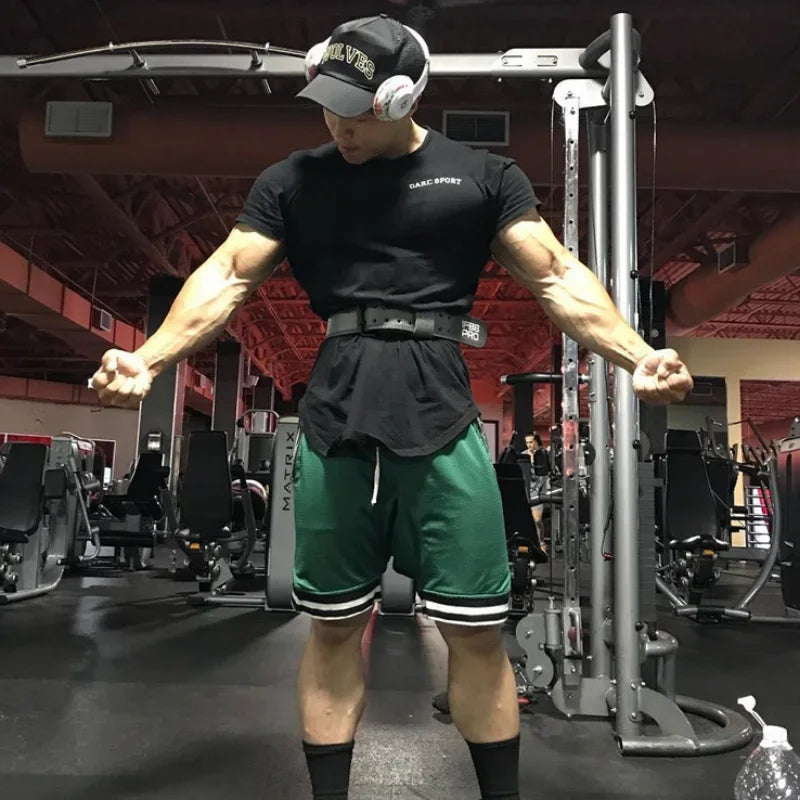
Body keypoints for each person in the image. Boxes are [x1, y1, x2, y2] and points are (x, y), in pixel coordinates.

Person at [90, 15, 694, 800]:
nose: (337, 125)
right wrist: (147, 358)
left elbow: (556, 276)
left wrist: (639, 355)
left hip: (443, 418)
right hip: (335, 419)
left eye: (355, 110)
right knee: (334, 628)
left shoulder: (481, 176)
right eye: (326, 105)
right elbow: (228, 275)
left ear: (403, 98)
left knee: (477, 636)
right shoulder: (292, 181)